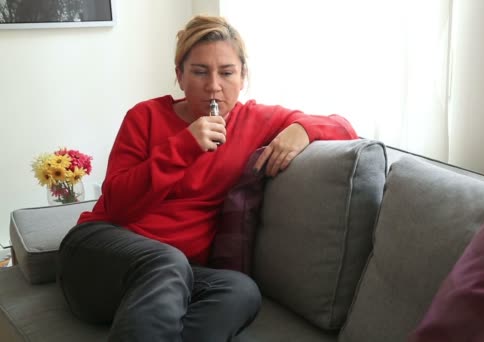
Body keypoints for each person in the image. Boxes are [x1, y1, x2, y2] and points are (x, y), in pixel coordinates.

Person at [57, 14, 358, 342]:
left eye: (226, 72)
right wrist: (184, 145)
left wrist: (302, 130)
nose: (214, 85)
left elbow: (343, 127)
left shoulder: (254, 121)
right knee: (167, 262)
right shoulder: (145, 116)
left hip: (172, 281)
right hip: (98, 255)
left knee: (240, 290)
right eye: (199, 72)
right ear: (179, 76)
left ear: (243, 76)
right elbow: (116, 205)